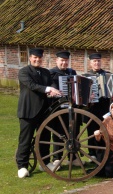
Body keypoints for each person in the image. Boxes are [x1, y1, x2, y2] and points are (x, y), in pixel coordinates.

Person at [16, 48, 62, 178]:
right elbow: (32, 85)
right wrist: (48, 89)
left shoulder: (46, 72)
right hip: (28, 111)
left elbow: (52, 83)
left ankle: (45, 163)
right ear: (30, 58)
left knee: (44, 138)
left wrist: (54, 90)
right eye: (35, 58)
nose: (37, 60)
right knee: (25, 139)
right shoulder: (24, 72)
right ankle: (22, 166)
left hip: (44, 112)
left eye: (39, 58)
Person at [49, 50, 82, 167]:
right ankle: (57, 158)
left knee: (74, 132)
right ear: (57, 60)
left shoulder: (71, 72)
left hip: (72, 108)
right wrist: (56, 91)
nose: (64, 63)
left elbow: (78, 86)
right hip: (58, 108)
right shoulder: (52, 73)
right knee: (58, 133)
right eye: (62, 60)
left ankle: (72, 158)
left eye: (66, 61)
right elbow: (51, 87)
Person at [84, 53, 113, 158]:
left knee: (104, 128)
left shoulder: (107, 74)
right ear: (90, 63)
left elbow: (112, 89)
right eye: (94, 61)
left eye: (98, 61)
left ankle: (103, 150)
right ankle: (92, 153)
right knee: (91, 130)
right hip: (91, 107)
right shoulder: (85, 76)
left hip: (104, 105)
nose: (97, 63)